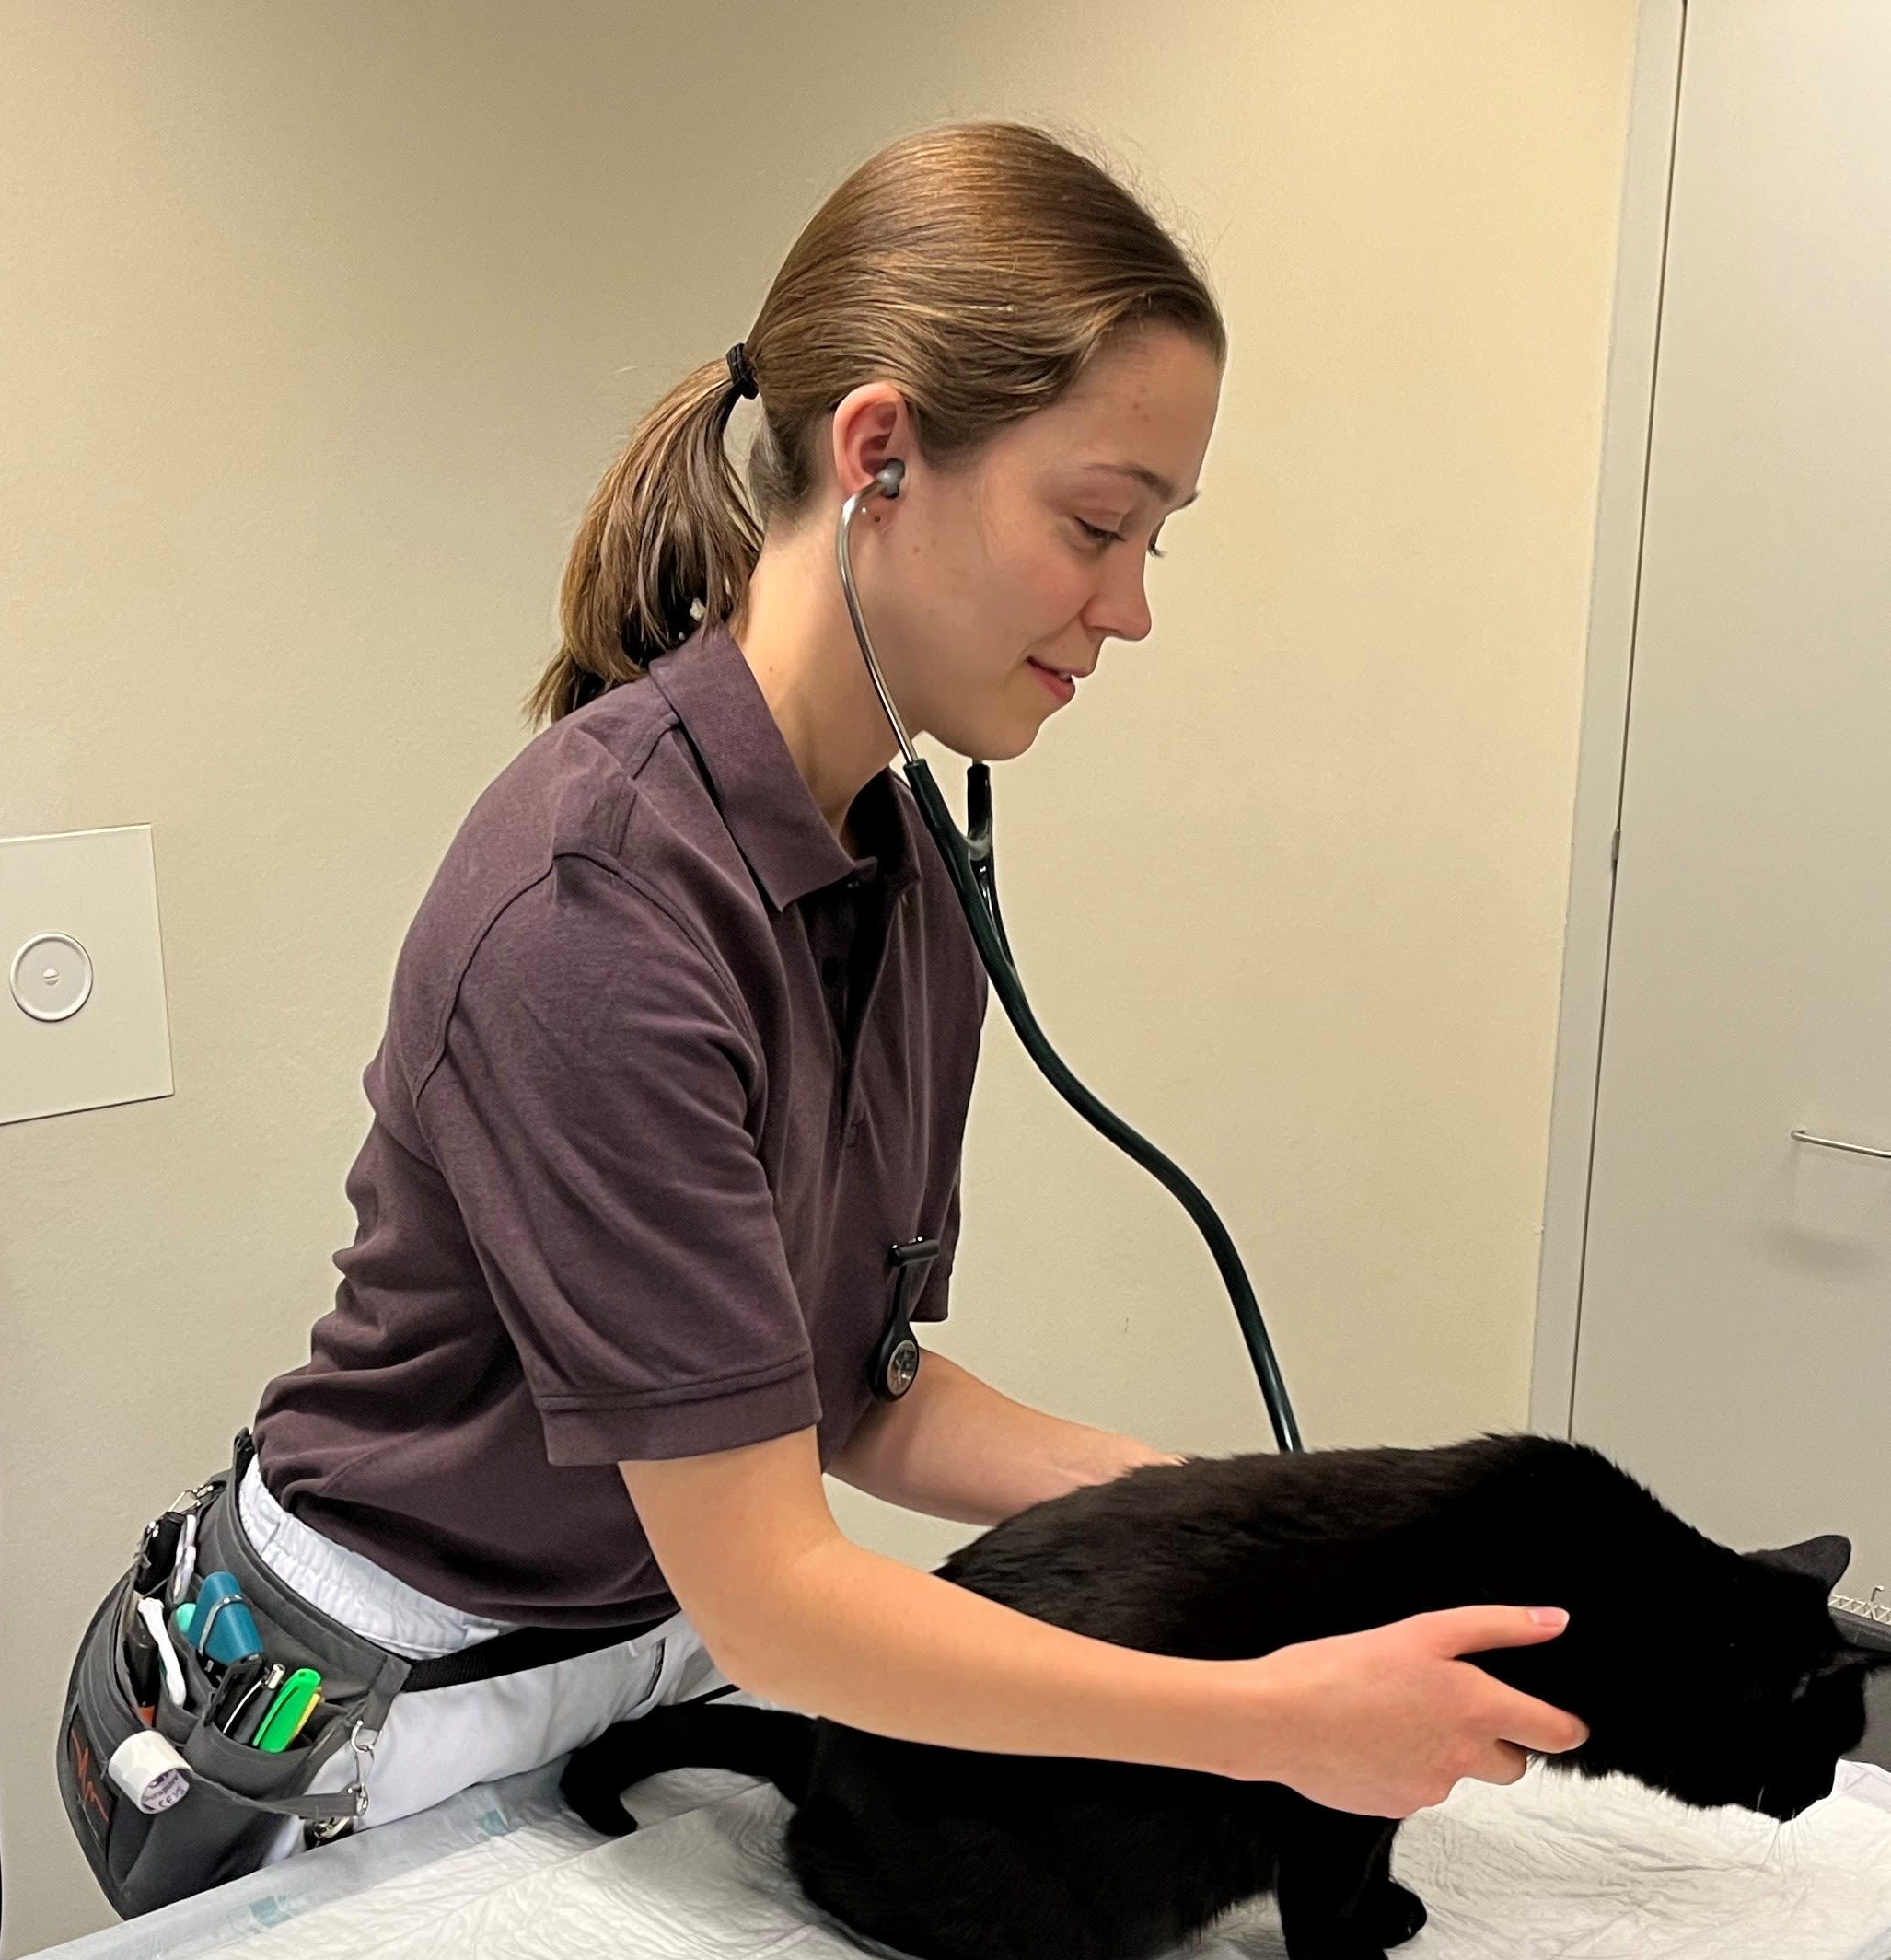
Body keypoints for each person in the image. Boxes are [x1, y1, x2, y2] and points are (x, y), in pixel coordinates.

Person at [235, 122, 1584, 1845]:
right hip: (405, 1684)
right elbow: (783, 1596)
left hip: (651, 1634)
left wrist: (1251, 1522)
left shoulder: (889, 858)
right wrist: (1262, 1717)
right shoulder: (598, 906)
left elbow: (853, 1396)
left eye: (1156, 539)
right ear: (877, 453)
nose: (1132, 608)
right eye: (1098, 522)